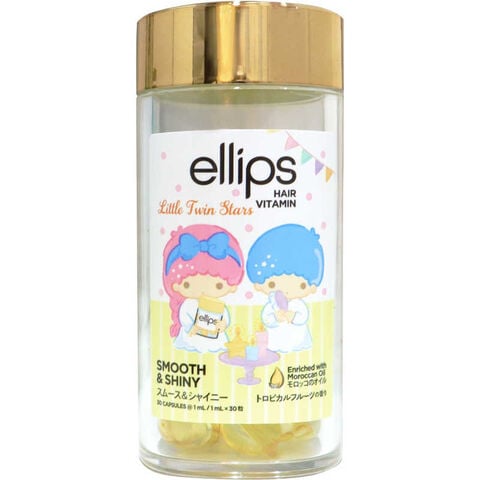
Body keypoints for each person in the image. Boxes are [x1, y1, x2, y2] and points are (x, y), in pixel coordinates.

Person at [163, 224, 244, 353]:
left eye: (218, 285)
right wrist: (192, 327)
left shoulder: (218, 306)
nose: (203, 290)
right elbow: (185, 319)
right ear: (176, 285)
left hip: (215, 338)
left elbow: (225, 319)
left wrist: (222, 324)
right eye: (187, 284)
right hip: (192, 337)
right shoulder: (189, 304)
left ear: (231, 287)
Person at [246, 224, 324, 353]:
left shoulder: (298, 304)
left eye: (301, 285)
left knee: (299, 351)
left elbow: (303, 316)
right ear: (259, 285)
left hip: (298, 340)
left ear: (312, 287)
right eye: (272, 284)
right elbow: (266, 318)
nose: (285, 290)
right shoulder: (272, 303)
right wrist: (275, 317)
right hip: (275, 340)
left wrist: (293, 316)